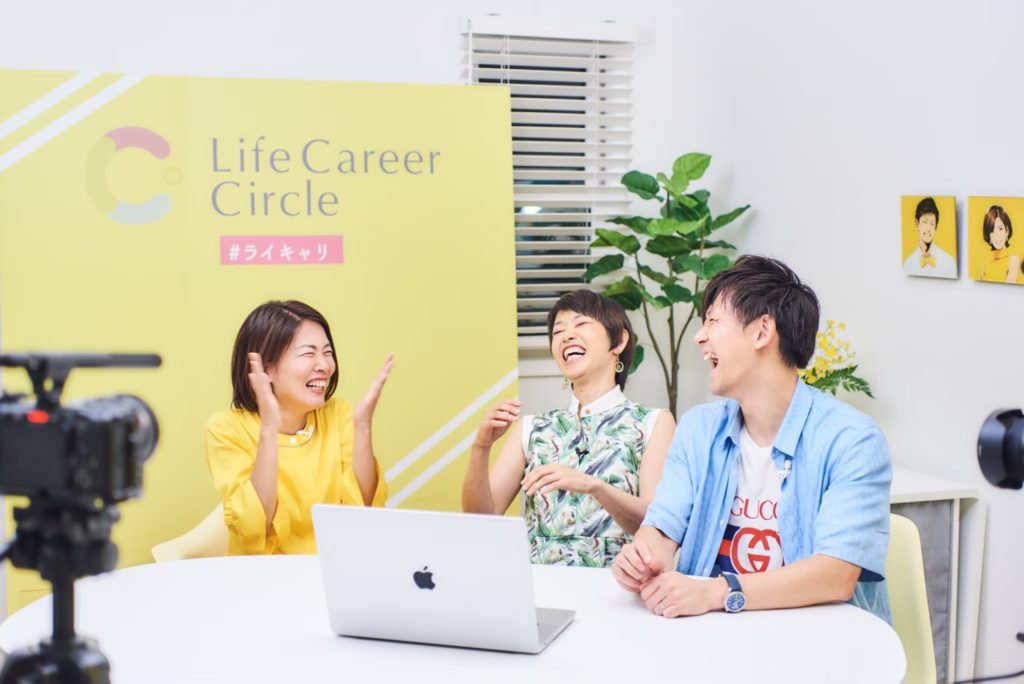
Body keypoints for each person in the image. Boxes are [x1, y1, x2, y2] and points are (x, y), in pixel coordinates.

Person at [611, 256, 892, 623]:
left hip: (817, 638)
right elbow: (663, 526)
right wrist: (643, 559)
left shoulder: (852, 440)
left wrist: (717, 592)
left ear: (761, 332)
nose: (700, 336)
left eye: (712, 321)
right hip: (711, 635)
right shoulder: (698, 429)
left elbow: (835, 574)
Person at [462, 290, 675, 567]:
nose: (566, 336)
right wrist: (481, 447)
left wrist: (593, 487)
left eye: (581, 324)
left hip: (615, 587)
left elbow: (657, 525)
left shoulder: (653, 422)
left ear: (619, 341)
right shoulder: (532, 428)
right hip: (540, 586)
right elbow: (481, 520)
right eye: (558, 331)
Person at [206, 300, 391, 555]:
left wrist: (363, 428)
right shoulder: (226, 428)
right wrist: (269, 430)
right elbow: (254, 527)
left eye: (327, 352)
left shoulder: (338, 413)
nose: (324, 365)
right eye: (308, 353)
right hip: (264, 574)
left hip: (333, 569)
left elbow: (365, 509)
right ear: (266, 367)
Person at [903, 197, 956, 278]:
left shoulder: (948, 261)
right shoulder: (908, 264)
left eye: (932, 223)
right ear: (917, 224)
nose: (928, 228)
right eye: (925, 222)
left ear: (935, 227)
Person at [979, 205, 1021, 283]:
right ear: (989, 236)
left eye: (1000, 229)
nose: (997, 236)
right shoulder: (984, 266)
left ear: (1007, 231)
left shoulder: (1013, 260)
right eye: (992, 231)